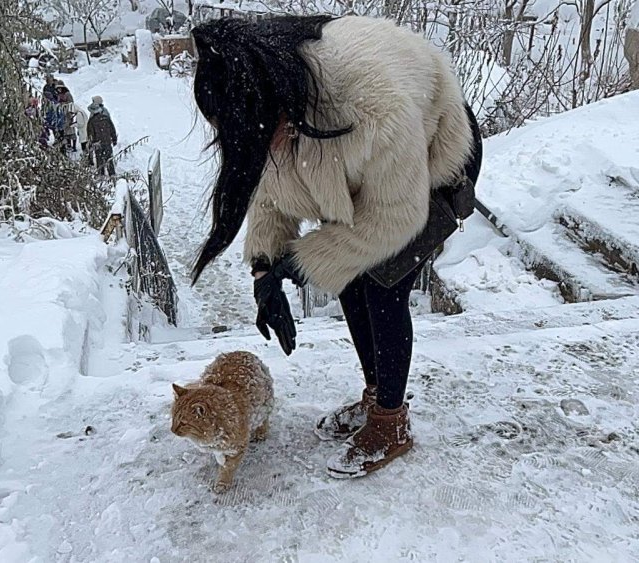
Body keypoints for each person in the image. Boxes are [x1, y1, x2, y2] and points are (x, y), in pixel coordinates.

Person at [188, 16, 482, 478]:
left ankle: (391, 422)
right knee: (350, 284)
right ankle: (374, 393)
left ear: (279, 108)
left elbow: (392, 219)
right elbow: (271, 187)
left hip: (426, 163)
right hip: (344, 158)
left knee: (384, 289)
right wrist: (265, 270)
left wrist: (301, 264)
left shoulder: (375, 110)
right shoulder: (269, 104)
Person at [86, 95, 117, 176]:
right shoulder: (106, 118)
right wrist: (114, 139)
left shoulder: (92, 121)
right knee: (109, 158)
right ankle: (112, 174)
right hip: (107, 141)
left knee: (99, 159)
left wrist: (91, 143)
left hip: (98, 143)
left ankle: (101, 175)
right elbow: (112, 129)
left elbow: (90, 133)